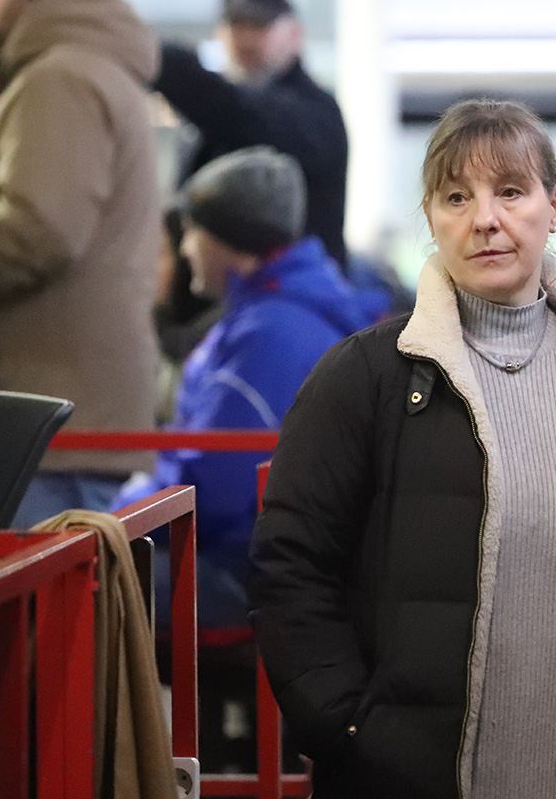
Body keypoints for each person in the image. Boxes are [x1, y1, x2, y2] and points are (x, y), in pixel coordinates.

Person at [248, 99, 556, 798]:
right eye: (456, 197)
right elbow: (291, 564)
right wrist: (347, 727)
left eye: (510, 191)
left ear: (554, 206)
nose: (485, 220)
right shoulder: (363, 378)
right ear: (431, 215)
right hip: (408, 773)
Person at [114, 146, 375, 631]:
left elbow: (215, 488)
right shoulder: (274, 315)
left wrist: (112, 518)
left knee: (78, 590)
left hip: (244, 573)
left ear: (227, 240)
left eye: (192, 231)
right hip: (258, 562)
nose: (186, 248)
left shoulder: (269, 331)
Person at [0, 0, 161, 524]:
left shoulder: (60, 78)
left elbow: (39, 229)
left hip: (36, 422)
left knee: (19, 601)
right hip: (55, 412)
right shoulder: (85, 68)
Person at [154, 0, 348, 269]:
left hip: (286, 297)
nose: (245, 38)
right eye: (235, 24)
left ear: (295, 34)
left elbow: (240, 115)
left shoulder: (314, 111)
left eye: (259, 25)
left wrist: (158, 57)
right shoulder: (216, 120)